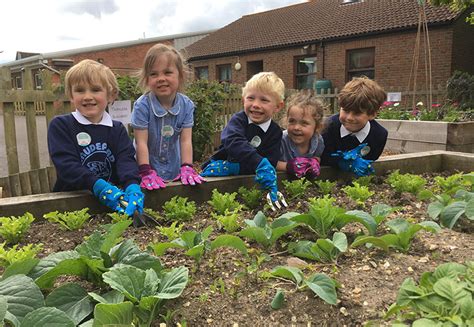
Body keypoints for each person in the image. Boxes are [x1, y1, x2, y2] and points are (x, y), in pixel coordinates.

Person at [47, 59, 143, 216]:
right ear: (71, 95)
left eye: (95, 90)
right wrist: (98, 186)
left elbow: (126, 161)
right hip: (71, 203)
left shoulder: (117, 129)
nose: (87, 96)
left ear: (111, 95)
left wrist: (132, 185)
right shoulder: (61, 126)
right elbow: (67, 166)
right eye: (80, 90)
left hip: (113, 203)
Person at [200, 72, 284, 202]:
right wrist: (258, 162)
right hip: (220, 169)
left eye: (264, 100)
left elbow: (271, 161)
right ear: (243, 100)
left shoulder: (275, 132)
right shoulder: (238, 120)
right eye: (251, 98)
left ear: (278, 106)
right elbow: (233, 142)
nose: (256, 104)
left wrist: (242, 168)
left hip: (246, 178)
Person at [131, 44, 204, 190]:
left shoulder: (187, 105)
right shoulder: (142, 106)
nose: (161, 78)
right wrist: (145, 171)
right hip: (145, 167)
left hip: (173, 167)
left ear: (180, 75)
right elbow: (141, 143)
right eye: (154, 74)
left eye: (167, 72)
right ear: (146, 78)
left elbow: (185, 140)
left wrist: (187, 166)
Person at [320, 76, 388, 177]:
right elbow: (322, 157)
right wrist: (340, 161)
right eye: (346, 110)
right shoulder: (326, 128)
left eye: (357, 113)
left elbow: (371, 159)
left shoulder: (379, 135)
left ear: (372, 114)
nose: (350, 118)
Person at [276, 91, 325, 178]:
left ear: (317, 127)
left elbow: (317, 156)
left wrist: (315, 161)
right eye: (292, 121)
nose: (296, 127)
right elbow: (271, 162)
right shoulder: (281, 141)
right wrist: (288, 166)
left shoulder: (317, 140)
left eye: (304, 123)